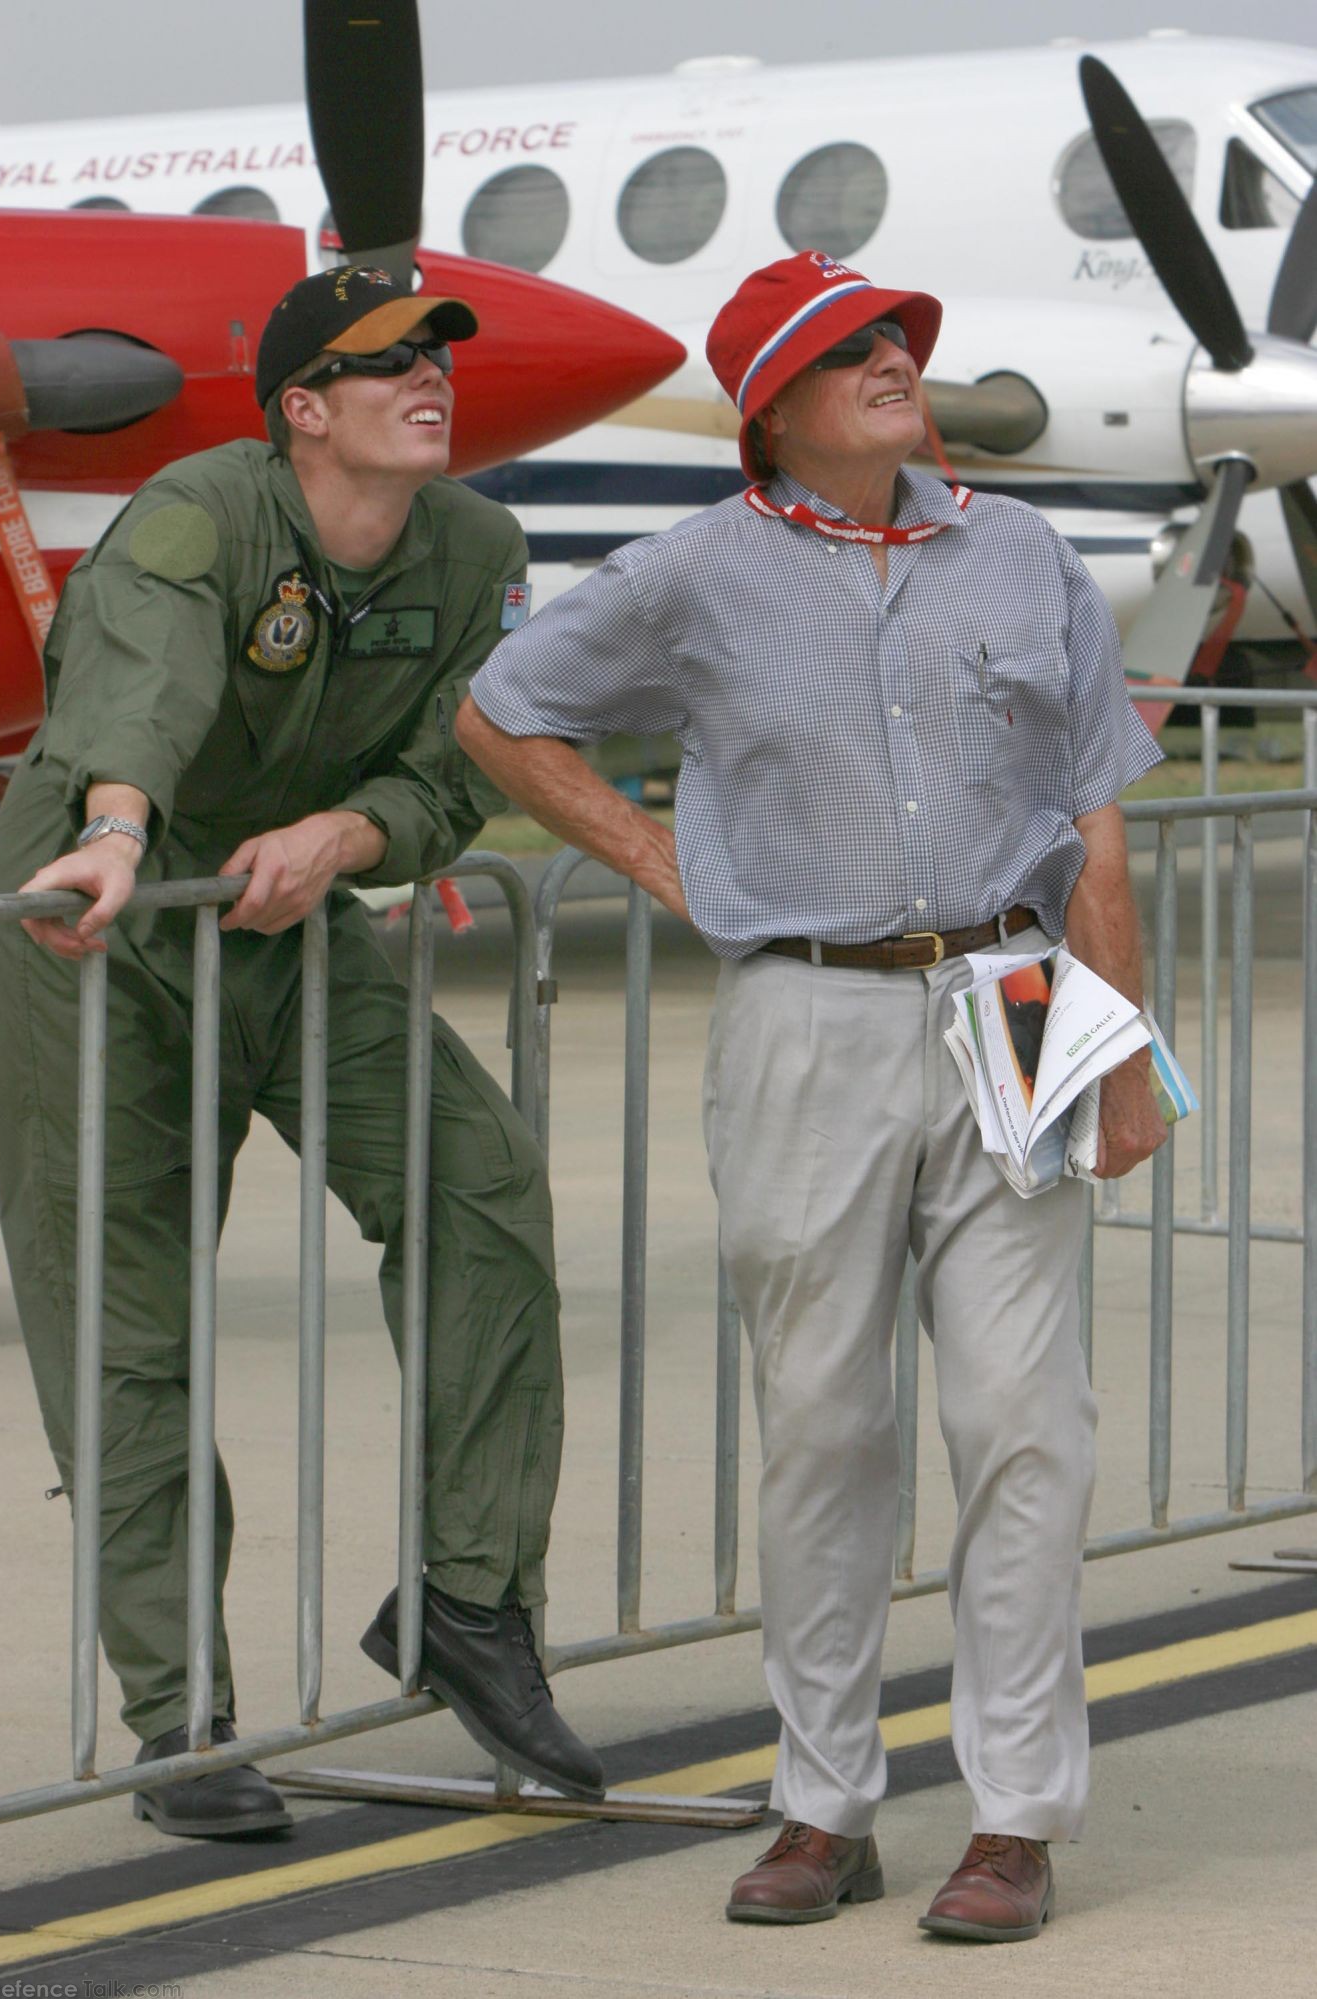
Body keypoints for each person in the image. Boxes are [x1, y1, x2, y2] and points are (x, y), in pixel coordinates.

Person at [456, 249, 1167, 1941]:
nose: (891, 362)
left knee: (1025, 1427)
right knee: (825, 1427)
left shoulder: (1017, 550)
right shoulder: (694, 569)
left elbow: (1098, 811)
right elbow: (502, 712)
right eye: (847, 350)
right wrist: (653, 857)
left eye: (897, 340)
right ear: (770, 406)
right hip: (804, 1024)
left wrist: (1125, 1046)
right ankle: (822, 1801)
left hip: (1010, 999)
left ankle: (1012, 1818)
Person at [0, 264, 604, 1837]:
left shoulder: (476, 546)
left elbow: (455, 760)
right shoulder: (203, 510)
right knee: (129, 1325)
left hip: (291, 919)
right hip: (103, 927)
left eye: (440, 358)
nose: (434, 379)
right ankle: (179, 1716)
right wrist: (116, 829)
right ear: (302, 410)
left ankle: (470, 1601)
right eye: (389, 362)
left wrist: (350, 830)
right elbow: (138, 686)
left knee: (480, 1190)